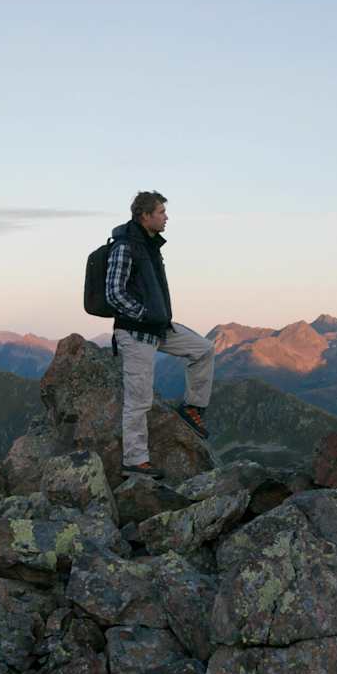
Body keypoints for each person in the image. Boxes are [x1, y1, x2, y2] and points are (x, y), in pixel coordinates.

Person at [105, 190, 214, 478]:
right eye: (161, 212)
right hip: (136, 332)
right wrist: (143, 315)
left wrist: (156, 318)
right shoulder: (125, 246)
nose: (167, 218)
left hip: (159, 327)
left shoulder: (150, 245)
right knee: (139, 400)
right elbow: (114, 293)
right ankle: (135, 460)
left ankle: (192, 408)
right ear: (145, 215)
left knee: (203, 349)